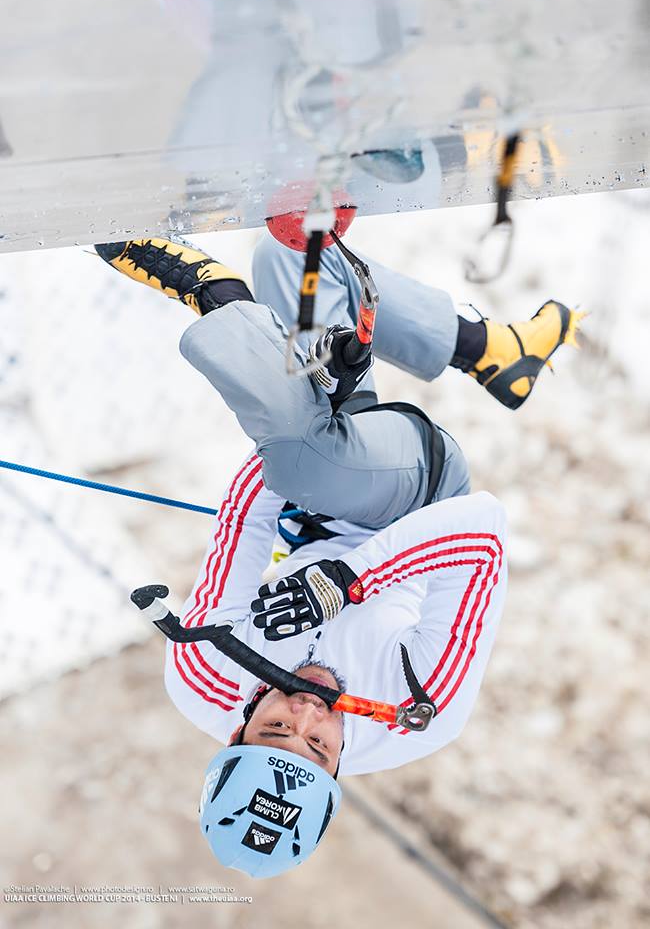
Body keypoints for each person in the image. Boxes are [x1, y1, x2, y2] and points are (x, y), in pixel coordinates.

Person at [96, 233, 581, 878]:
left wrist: (306, 465)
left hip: (324, 488)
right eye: (319, 747)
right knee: (303, 447)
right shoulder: (419, 717)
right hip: (423, 498)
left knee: (294, 256)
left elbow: (248, 507)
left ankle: (490, 349)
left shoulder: (204, 677)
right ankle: (216, 295)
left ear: (235, 734)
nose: (304, 714)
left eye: (274, 732)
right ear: (337, 769)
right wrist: (348, 580)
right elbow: (480, 531)